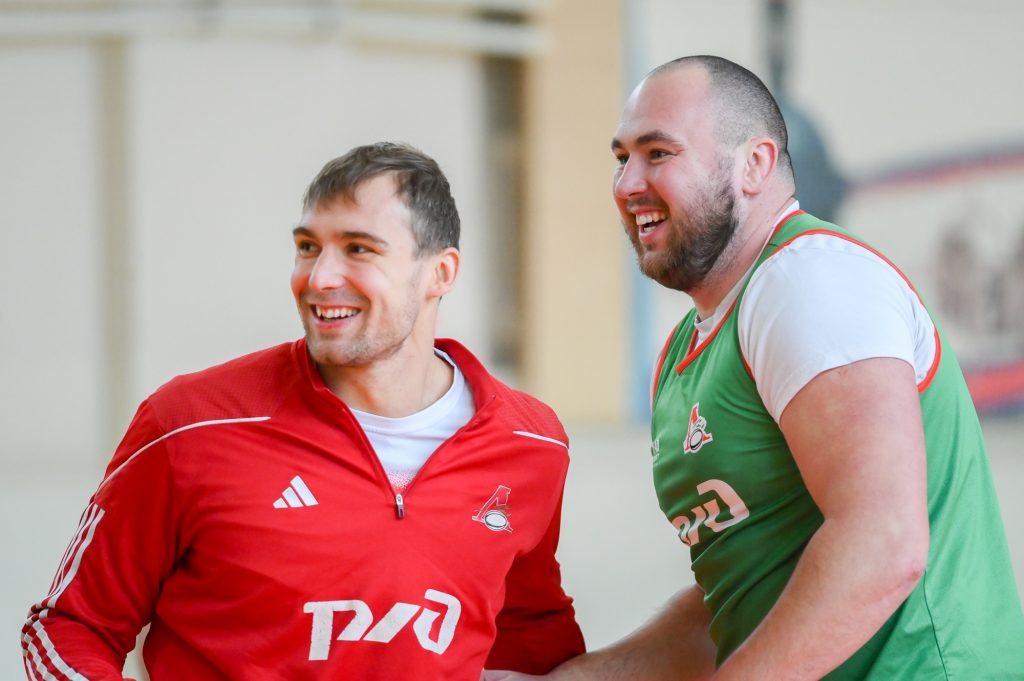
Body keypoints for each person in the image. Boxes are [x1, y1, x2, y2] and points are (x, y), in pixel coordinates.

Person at [487, 55, 1024, 680]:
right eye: (621, 157)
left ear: (755, 165)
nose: (628, 183)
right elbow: (732, 617)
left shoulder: (809, 279)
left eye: (658, 153)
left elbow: (883, 546)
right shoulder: (689, 348)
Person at [21, 142, 585, 681]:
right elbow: (68, 628)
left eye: (358, 249)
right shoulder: (192, 423)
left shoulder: (531, 443)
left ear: (440, 272)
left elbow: (533, 640)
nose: (319, 279)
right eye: (309, 247)